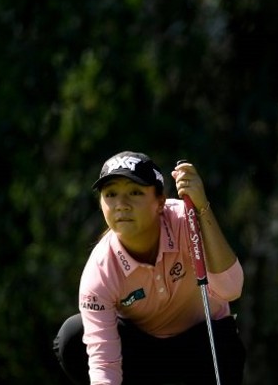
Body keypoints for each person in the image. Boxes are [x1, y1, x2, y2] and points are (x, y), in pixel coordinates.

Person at [52, 151, 246, 385]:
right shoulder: (100, 270)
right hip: (144, 359)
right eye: (110, 194)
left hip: (204, 347)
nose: (121, 205)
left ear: (160, 202)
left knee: (224, 339)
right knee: (72, 335)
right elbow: (104, 364)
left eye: (135, 192)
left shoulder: (187, 220)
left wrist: (202, 206)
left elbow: (231, 289)